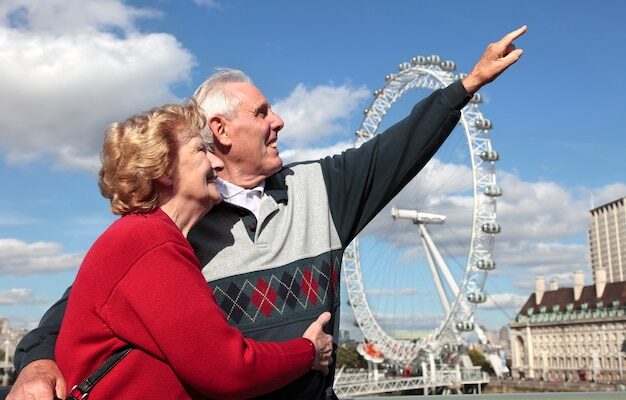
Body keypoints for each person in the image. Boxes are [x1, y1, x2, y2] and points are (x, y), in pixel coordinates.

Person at [6, 26, 526, 400]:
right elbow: (78, 311)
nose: (278, 121)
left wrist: (465, 86)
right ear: (220, 131)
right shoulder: (171, 231)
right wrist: (35, 365)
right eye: (261, 112)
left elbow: (393, 153)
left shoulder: (321, 191)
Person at [22, 102, 334, 399]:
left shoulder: (144, 238)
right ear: (164, 169)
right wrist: (309, 352)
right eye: (201, 150)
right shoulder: (148, 243)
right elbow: (227, 369)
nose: (217, 163)